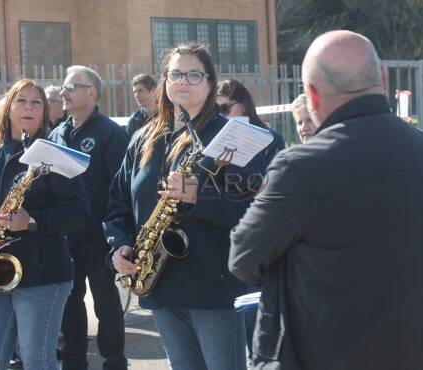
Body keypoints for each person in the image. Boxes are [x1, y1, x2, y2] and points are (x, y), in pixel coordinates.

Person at [228, 31, 423, 370]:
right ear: (381, 79)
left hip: (337, 353)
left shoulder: (301, 166)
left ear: (311, 95)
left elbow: (244, 259)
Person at [106, 42, 266, 370]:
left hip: (213, 288)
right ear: (164, 81)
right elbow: (118, 203)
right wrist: (119, 245)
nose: (184, 81)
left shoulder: (232, 136)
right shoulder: (143, 139)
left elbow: (254, 208)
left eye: (194, 75)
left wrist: (199, 197)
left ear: (210, 83)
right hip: (161, 285)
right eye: (176, 74)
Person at [0, 78, 89, 370]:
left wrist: (33, 221)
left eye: (36, 102)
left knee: (37, 361)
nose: (28, 107)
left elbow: (78, 211)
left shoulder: (54, 152)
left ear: (44, 111)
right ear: (8, 107)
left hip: (42, 274)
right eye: (21, 100)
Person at [51, 65, 129, 370]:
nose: (64, 92)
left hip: (99, 236)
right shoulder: (57, 132)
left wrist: (118, 233)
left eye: (71, 86)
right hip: (65, 235)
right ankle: (73, 362)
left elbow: (120, 187)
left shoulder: (109, 132)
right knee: (69, 302)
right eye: (64, 87)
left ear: (91, 93)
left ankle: (114, 361)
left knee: (106, 302)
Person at [215, 78, 285, 363]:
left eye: (224, 108)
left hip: (255, 244)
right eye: (214, 110)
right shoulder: (212, 138)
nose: (218, 115)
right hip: (219, 240)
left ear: (242, 105)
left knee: (254, 325)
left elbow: (276, 190)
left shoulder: (270, 139)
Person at [127, 73, 157, 138]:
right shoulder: (134, 121)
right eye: (135, 92)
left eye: (140, 91)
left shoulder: (168, 114)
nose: (136, 96)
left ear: (153, 91)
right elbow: (132, 147)